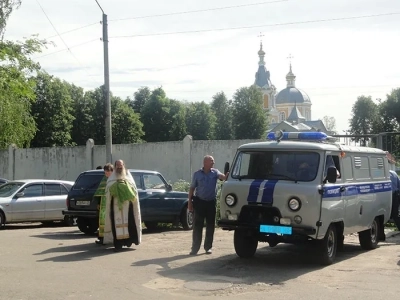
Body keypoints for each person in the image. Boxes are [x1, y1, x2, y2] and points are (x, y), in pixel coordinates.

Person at [188, 155, 229, 255]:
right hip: (200, 202)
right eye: (211, 161)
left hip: (211, 203)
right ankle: (195, 248)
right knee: (198, 226)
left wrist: (227, 174)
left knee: (210, 226)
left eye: (213, 161)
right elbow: (192, 188)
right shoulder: (197, 174)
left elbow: (223, 178)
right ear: (205, 162)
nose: (213, 163)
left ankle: (208, 247)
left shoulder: (215, 172)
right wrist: (189, 201)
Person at [103, 160, 142, 250]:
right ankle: (118, 244)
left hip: (127, 204)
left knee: (129, 222)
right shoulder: (112, 178)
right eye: (118, 166)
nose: (119, 167)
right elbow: (108, 189)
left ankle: (129, 241)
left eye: (121, 165)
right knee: (116, 223)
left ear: (123, 165)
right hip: (115, 204)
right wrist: (116, 187)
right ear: (115, 166)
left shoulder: (128, 176)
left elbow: (134, 189)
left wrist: (125, 186)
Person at [94, 163, 114, 245]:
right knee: (102, 221)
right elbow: (100, 192)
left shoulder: (114, 179)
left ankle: (112, 238)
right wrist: (98, 203)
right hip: (103, 203)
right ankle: (102, 238)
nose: (107, 174)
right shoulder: (104, 179)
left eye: (108, 172)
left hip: (112, 203)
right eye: (105, 172)